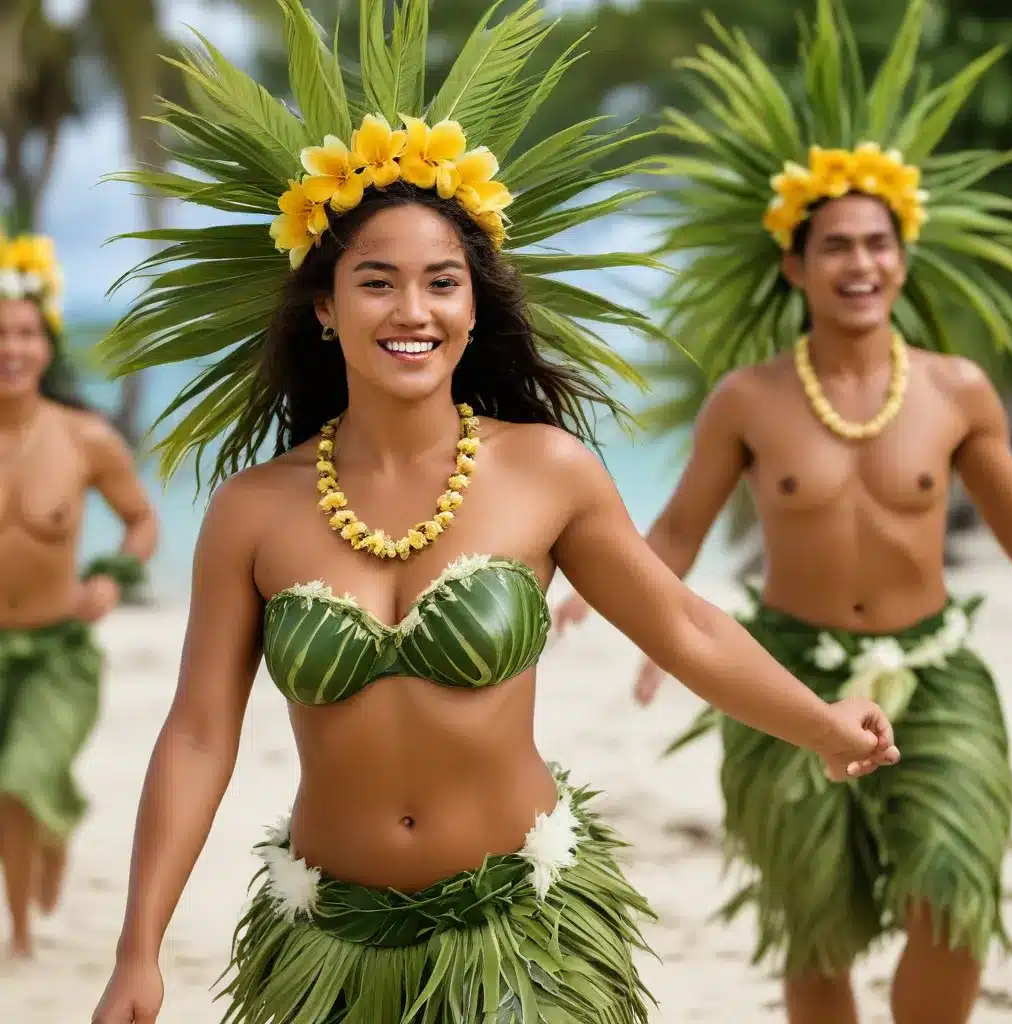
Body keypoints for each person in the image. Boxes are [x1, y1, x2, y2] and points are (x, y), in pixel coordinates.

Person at [89, 3, 898, 1022]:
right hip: (331, 942)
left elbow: (683, 623)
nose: (412, 310)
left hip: (523, 936)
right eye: (376, 282)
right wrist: (137, 948)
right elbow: (200, 734)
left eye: (441, 282)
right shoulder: (253, 512)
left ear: (476, 306)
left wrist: (819, 725)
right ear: (326, 306)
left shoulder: (546, 473)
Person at [554, 2, 1012, 1023]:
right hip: (780, 668)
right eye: (835, 247)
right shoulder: (749, 399)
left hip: (936, 673)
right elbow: (677, 527)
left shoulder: (955, 391)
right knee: (813, 926)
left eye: (876, 244)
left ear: (901, 259)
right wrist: (621, 603)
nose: (859, 264)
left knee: (951, 895)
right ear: (793, 266)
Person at [0, 229, 158, 959]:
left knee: (22, 778)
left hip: (58, 650)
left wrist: (110, 579)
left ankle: (25, 933)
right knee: (13, 791)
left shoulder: (85, 437)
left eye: (26, 333)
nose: (12, 348)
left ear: (47, 342)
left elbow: (142, 521)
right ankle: (30, 904)